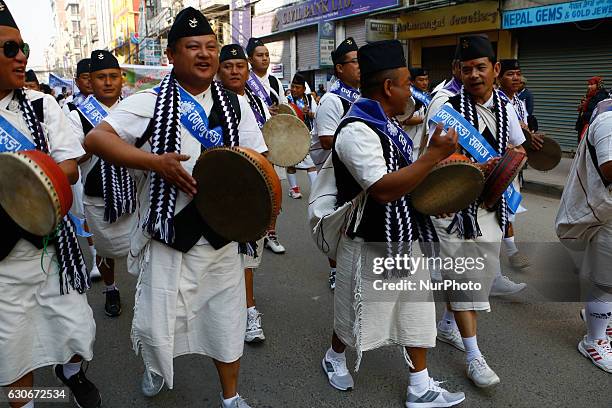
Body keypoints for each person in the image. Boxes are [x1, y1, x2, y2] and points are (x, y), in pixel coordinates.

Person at [85, 8, 266, 407]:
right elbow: (96, 140)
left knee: (226, 320)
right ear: (171, 55)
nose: (204, 54)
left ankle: (231, 397)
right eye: (192, 47)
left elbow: (259, 159)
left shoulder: (236, 104)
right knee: (158, 321)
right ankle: (156, 365)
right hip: (170, 232)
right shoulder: (149, 102)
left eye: (210, 46)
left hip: (222, 234)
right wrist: (155, 163)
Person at [321, 39, 465, 408]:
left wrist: (434, 201)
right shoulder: (356, 129)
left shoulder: (386, 121)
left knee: (416, 309)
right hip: (368, 240)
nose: (412, 90)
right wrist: (433, 156)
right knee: (356, 313)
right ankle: (335, 357)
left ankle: (420, 386)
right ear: (388, 87)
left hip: (404, 233)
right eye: (406, 82)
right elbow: (383, 189)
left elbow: (406, 179)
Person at [0, 3, 100, 407]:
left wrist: (29, 182)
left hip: (51, 245)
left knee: (75, 328)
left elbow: (70, 167)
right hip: (3, 259)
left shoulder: (43, 106)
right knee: (13, 348)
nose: (21, 55)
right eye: (9, 49)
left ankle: (70, 373)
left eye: (22, 47)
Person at [425, 34, 527, 388]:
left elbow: (519, 149)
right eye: (466, 69)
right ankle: (474, 355)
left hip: (490, 207)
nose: (473, 75)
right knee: (462, 278)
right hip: (453, 209)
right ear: (457, 70)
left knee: (477, 279)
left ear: (495, 69)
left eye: (480, 67)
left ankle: (448, 325)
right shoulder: (445, 106)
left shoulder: (506, 105)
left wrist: (505, 166)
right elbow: (431, 158)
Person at [68, 50, 134, 317]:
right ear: (90, 82)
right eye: (101, 77)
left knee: (145, 248)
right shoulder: (77, 115)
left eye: (113, 76)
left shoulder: (135, 107)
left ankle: (146, 290)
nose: (108, 82)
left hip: (135, 194)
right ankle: (111, 288)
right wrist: (99, 141)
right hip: (98, 196)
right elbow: (72, 156)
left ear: (121, 79)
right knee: (106, 251)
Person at [218, 43, 272, 343]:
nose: (235, 71)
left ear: (247, 70)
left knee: (246, 257)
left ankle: (249, 311)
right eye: (228, 66)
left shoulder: (255, 102)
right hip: (214, 191)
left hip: (249, 190)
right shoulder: (207, 102)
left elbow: (262, 151)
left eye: (240, 66)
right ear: (218, 69)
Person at [556, 97, 612, 373]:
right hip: (606, 215)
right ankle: (594, 339)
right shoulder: (609, 120)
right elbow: (609, 167)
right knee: (604, 280)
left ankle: (602, 320)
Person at [309, 37, 360, 290]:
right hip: (334, 172)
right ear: (340, 68)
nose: (360, 66)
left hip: (354, 169)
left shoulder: (361, 95)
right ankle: (335, 270)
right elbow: (328, 140)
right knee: (335, 221)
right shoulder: (333, 99)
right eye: (354, 62)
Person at [244, 36, 286, 254]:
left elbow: (285, 110)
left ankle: (271, 232)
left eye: (267, 55)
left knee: (273, 189)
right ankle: (250, 230)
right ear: (250, 59)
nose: (265, 59)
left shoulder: (275, 82)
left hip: (272, 141)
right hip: (251, 143)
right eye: (260, 55)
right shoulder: (243, 79)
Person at [286, 72, 318, 199]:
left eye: (297, 87)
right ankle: (294, 189)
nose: (294, 89)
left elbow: (316, 114)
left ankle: (315, 190)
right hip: (291, 136)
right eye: (292, 86)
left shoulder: (310, 99)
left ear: (304, 89)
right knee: (291, 163)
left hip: (307, 135)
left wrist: (309, 113)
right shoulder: (287, 100)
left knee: (311, 164)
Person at [400, 67, 430, 160]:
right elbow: (404, 119)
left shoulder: (426, 96)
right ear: (412, 82)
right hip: (409, 141)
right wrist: (426, 119)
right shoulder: (408, 97)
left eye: (426, 79)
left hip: (420, 143)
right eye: (421, 80)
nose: (425, 83)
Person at [576, 76, 609, 141]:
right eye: (588, 84)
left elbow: (598, 112)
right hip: (584, 124)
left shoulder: (602, 96)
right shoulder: (589, 94)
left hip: (592, 126)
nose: (589, 86)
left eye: (591, 84)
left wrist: (584, 115)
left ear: (598, 85)